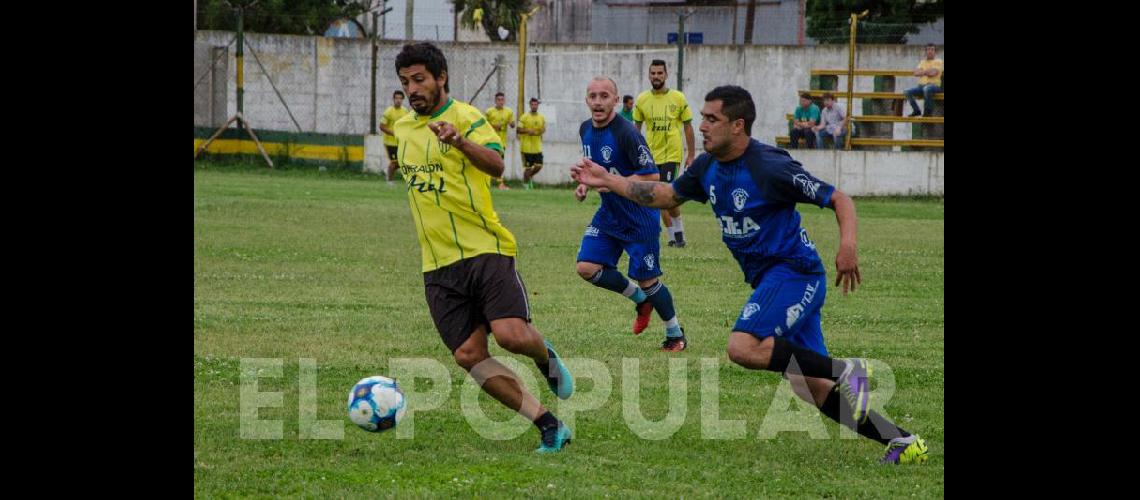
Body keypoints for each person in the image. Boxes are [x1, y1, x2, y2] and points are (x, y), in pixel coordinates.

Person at [571, 85, 929, 465]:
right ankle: (901, 440)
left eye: (712, 119)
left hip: (795, 274)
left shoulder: (770, 167)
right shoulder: (708, 165)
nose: (703, 126)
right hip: (771, 279)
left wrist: (848, 246)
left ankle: (848, 369)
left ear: (738, 125)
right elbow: (666, 195)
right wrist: (608, 180)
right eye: (703, 117)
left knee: (743, 347)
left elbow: (839, 198)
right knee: (809, 385)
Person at [393, 42, 574, 453]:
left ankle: (544, 357)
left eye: (419, 79)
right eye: (405, 82)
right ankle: (548, 424)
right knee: (468, 354)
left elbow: (496, 165)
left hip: (485, 249)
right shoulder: (403, 128)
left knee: (511, 336)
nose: (412, 89)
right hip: (438, 264)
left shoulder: (468, 118)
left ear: (441, 78)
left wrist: (459, 142)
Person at [574, 76, 688, 352]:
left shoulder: (626, 132)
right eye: (593, 96)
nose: (598, 102)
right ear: (586, 100)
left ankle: (675, 334)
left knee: (647, 278)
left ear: (616, 100)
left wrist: (604, 182)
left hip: (639, 217)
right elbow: (598, 169)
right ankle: (640, 300)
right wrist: (584, 183)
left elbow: (652, 175)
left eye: (604, 96)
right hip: (609, 213)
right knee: (586, 267)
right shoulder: (585, 129)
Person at [634, 60, 695, 248]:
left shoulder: (678, 98)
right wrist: (634, 155)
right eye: (653, 73)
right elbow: (635, 131)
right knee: (660, 196)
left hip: (672, 155)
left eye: (660, 73)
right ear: (649, 75)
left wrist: (691, 155)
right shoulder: (642, 100)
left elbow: (688, 127)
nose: (656, 77)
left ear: (666, 75)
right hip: (651, 156)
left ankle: (676, 234)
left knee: (665, 194)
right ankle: (674, 236)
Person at [379, 90, 410, 184]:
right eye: (396, 98)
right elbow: (382, 126)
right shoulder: (389, 111)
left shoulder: (405, 111)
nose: (398, 100)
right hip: (390, 142)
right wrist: (394, 133)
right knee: (394, 161)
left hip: (400, 142)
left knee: (401, 162)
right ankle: (389, 180)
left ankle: (388, 171)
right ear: (393, 99)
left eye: (400, 98)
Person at [485, 92, 515, 189]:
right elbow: (484, 124)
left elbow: (513, 124)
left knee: (499, 163)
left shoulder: (508, 112)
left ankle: (499, 183)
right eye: (498, 100)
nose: (500, 102)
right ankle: (490, 182)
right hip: (490, 140)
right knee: (489, 162)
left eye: (502, 100)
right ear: (495, 101)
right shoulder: (489, 112)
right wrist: (494, 126)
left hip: (501, 142)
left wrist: (512, 123)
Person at [903, 44, 943, 117]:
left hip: (934, 86)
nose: (930, 51)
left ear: (935, 52)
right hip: (921, 86)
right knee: (906, 91)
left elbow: (933, 73)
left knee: (927, 89)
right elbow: (915, 73)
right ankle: (916, 110)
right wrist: (927, 72)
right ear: (926, 51)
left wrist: (922, 72)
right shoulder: (922, 62)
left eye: (932, 49)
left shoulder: (938, 61)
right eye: (928, 49)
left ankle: (928, 112)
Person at [518, 97, 546, 189]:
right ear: (530, 105)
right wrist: (527, 131)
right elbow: (518, 130)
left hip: (537, 147)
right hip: (526, 147)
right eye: (532, 104)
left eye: (536, 104)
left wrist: (539, 132)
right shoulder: (524, 117)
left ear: (538, 105)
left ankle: (528, 178)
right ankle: (526, 186)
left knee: (539, 166)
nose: (534, 106)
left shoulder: (541, 117)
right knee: (528, 168)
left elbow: (543, 129)